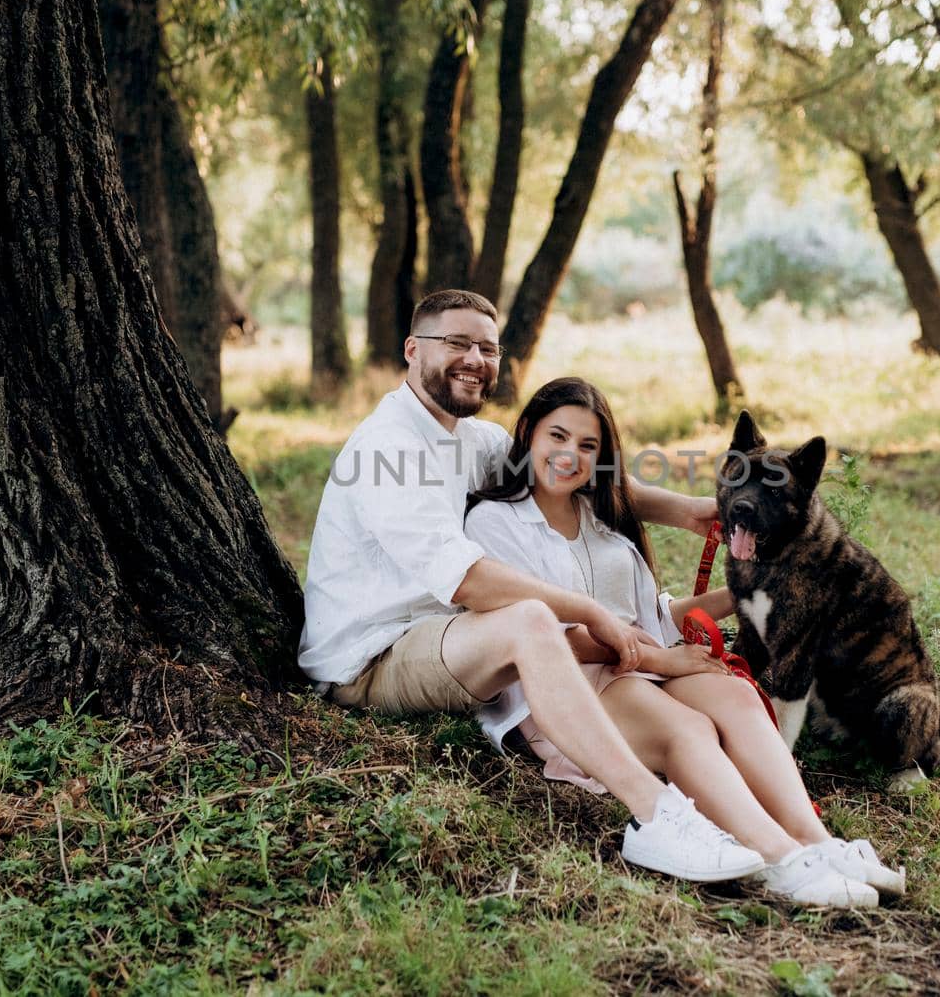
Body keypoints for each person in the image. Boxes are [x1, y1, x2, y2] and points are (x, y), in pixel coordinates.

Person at [300, 290, 763, 887]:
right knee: (532, 620)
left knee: (535, 619)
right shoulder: (387, 446)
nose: (474, 358)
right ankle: (657, 817)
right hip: (372, 657)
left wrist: (691, 511)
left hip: (443, 634)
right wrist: (589, 609)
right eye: (456, 343)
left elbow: (571, 473)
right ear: (413, 350)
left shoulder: (476, 441)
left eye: (487, 348)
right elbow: (467, 579)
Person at [463, 377, 905, 908]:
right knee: (688, 727)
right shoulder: (495, 522)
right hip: (569, 686)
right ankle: (779, 860)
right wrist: (662, 661)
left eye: (587, 445)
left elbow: (654, 617)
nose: (569, 456)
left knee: (739, 697)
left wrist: (752, 585)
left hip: (642, 666)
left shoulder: (600, 516)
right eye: (557, 437)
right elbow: (552, 637)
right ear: (529, 433)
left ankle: (816, 841)